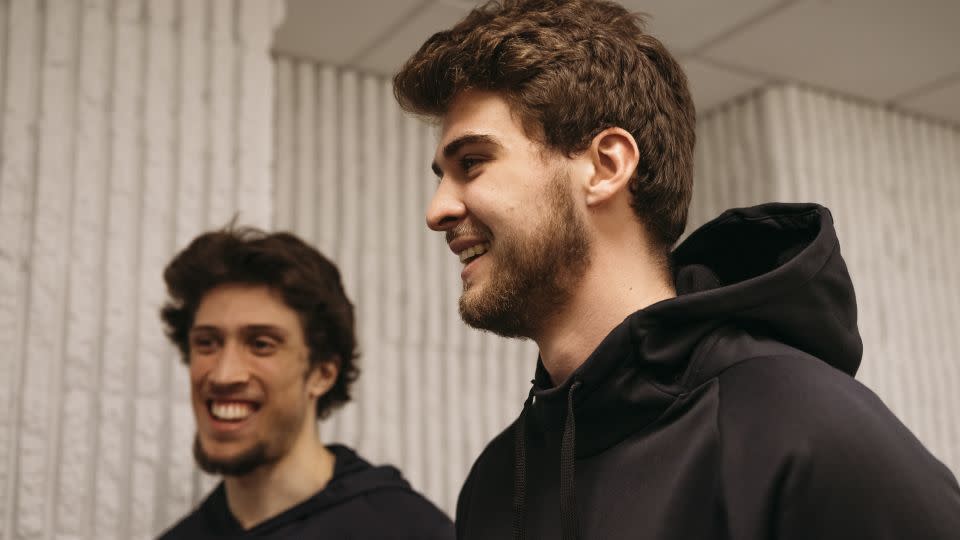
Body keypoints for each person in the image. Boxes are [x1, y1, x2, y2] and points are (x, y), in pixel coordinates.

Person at [392, 0, 960, 538]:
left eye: (472, 163)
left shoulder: (804, 430)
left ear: (605, 166)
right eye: (441, 175)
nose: (436, 210)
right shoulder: (495, 484)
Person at [156, 227, 454, 539]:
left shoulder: (409, 531)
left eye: (261, 344)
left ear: (322, 374)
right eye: (207, 343)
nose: (223, 374)